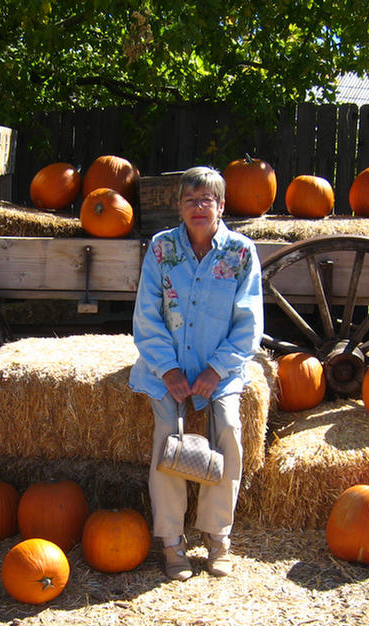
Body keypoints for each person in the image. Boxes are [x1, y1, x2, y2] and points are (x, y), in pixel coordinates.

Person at [129, 165, 264, 580]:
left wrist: (216, 369)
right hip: (164, 367)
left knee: (227, 429)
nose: (198, 206)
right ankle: (172, 542)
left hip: (219, 368)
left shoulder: (241, 253)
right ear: (180, 207)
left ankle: (218, 537)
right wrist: (168, 370)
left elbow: (249, 323)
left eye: (207, 199)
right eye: (190, 200)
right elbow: (146, 316)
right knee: (167, 432)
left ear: (222, 206)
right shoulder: (161, 249)